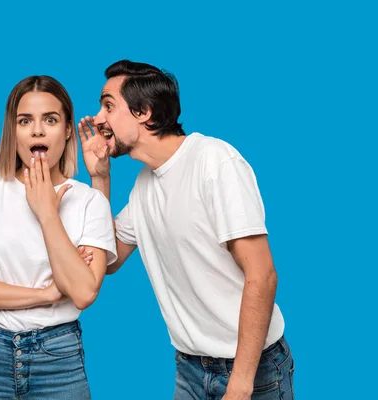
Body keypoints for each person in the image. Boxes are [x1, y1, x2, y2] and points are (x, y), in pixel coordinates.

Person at [78, 60, 294, 400]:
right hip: (190, 370)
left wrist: (239, 385)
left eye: (108, 105)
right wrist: (101, 178)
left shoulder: (214, 162)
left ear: (144, 112)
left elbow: (262, 274)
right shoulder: (144, 185)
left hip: (250, 369)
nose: (98, 118)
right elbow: (107, 260)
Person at [0, 75, 117, 399]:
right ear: (14, 130)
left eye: (50, 119)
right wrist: (48, 294)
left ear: (66, 130)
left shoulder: (91, 201)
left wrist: (47, 212)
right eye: (25, 121)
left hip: (59, 358)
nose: (37, 130)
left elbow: (83, 292)